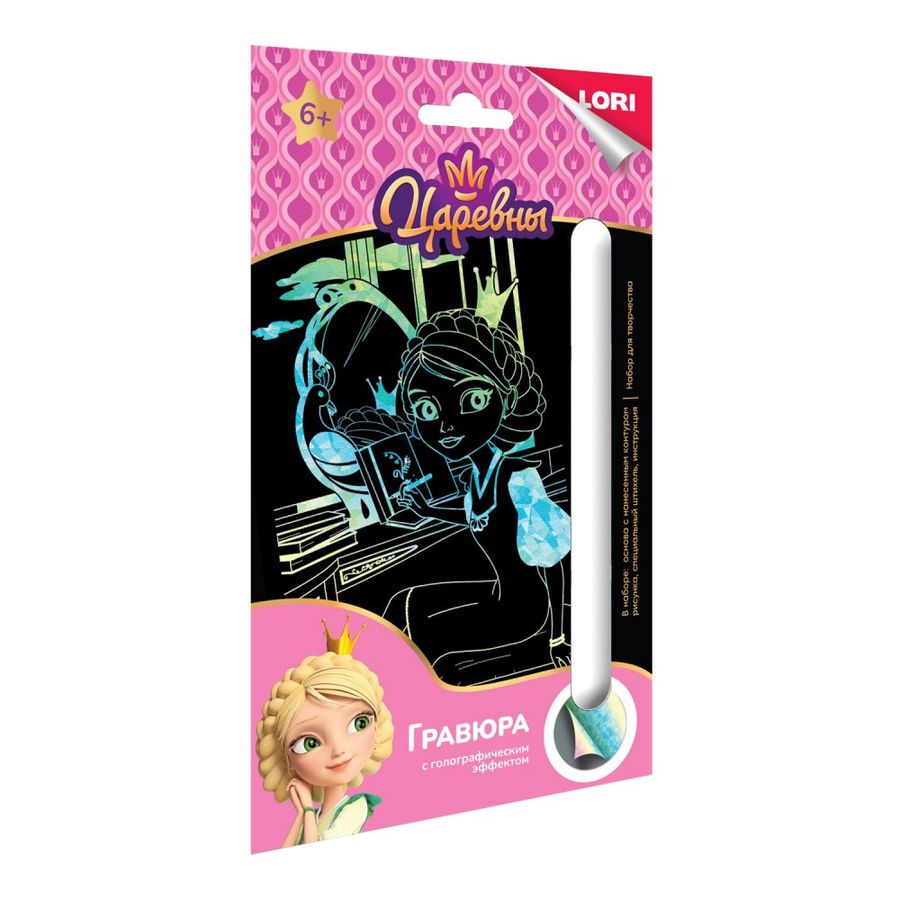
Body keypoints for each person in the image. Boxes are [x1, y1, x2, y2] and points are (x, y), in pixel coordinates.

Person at [390, 308, 571, 683]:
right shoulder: (474, 475)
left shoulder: (520, 479)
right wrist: (428, 510)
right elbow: (479, 518)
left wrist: (557, 637)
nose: (446, 425)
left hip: (526, 611)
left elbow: (552, 563)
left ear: (507, 399)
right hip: (499, 592)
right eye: (427, 408)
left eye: (472, 400)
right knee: (405, 603)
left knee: (428, 640)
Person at [255, 617, 394, 847]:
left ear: (377, 731)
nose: (339, 750)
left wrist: (308, 810)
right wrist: (302, 813)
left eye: (359, 723)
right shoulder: (313, 816)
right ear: (288, 761)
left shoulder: (356, 807)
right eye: (309, 743)